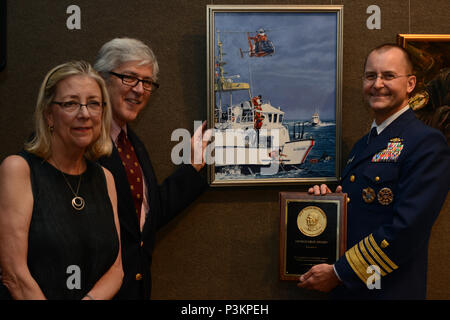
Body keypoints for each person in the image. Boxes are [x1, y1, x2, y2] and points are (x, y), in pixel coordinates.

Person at [298, 44, 450, 299]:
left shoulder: (427, 143)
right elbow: (361, 209)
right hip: (354, 290)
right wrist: (328, 204)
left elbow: (406, 231)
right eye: (371, 76)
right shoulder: (364, 144)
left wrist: (339, 273)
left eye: (389, 76)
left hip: (389, 290)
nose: (377, 84)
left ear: (410, 83)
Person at [93, 38, 209, 299]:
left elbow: (146, 217)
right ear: (101, 78)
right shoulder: (79, 143)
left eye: (147, 82)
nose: (139, 90)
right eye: (129, 78)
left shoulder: (133, 144)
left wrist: (194, 166)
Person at [0, 61, 123, 299]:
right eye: (70, 104)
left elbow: (116, 269)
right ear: (49, 115)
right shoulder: (19, 170)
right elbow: (14, 274)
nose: (84, 114)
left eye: (93, 104)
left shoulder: (104, 178)